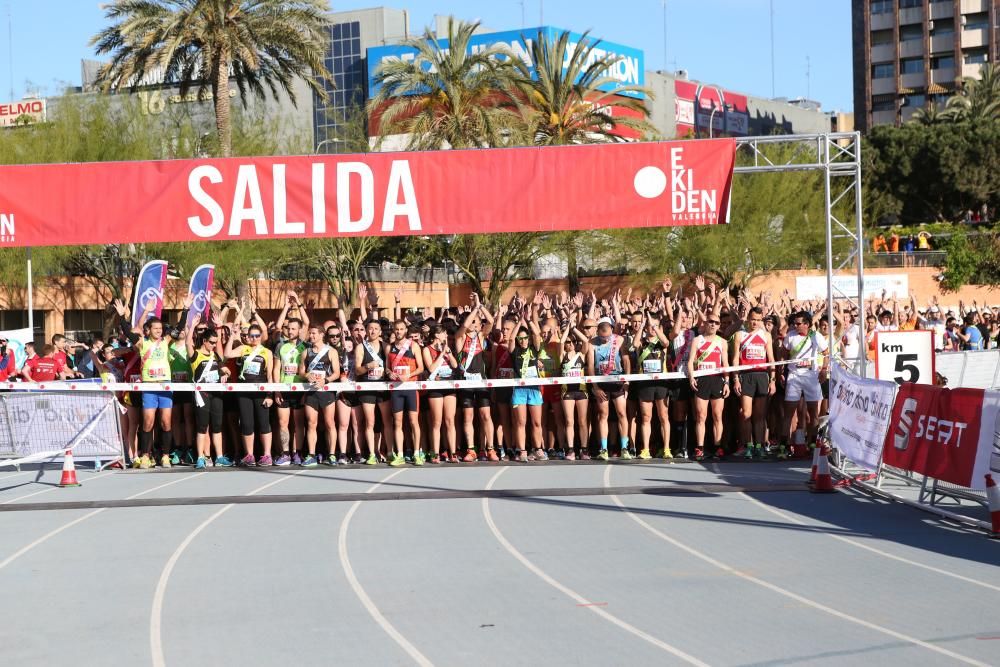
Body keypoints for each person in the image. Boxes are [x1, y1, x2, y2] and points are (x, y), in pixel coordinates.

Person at [779, 312, 828, 459]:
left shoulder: (816, 336)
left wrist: (824, 369)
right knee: (789, 412)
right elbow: (783, 353)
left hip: (811, 376)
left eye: (799, 323)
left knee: (813, 412)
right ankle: (784, 446)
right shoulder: (791, 335)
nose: (795, 325)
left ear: (807, 324)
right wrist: (781, 372)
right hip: (794, 376)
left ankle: (812, 444)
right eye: (794, 323)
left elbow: (826, 353)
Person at [225, 322, 274, 466]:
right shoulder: (243, 348)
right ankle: (249, 455)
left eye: (257, 336)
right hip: (244, 391)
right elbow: (227, 354)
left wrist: (269, 394)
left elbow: (270, 375)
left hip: (260, 390)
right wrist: (232, 336)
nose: (254, 338)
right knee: (247, 423)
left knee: (264, 423)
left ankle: (267, 455)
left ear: (261, 336)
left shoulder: (267, 352)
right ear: (247, 337)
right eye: (251, 336)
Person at [455, 296, 497, 461]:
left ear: (480, 326)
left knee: (486, 415)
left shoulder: (480, 338)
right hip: (466, 382)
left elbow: (491, 322)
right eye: (472, 322)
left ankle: (490, 448)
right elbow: (464, 325)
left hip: (480, 381)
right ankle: (471, 450)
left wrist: (480, 306)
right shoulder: (460, 338)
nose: (473, 324)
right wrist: (474, 311)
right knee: (468, 417)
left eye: (476, 323)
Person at [732, 307, 775, 460]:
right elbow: (735, 359)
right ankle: (748, 446)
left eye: (758, 320)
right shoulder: (739, 335)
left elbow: (771, 359)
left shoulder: (766, 336)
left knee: (760, 415)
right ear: (748, 319)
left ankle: (759, 446)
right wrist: (736, 379)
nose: (755, 323)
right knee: (746, 414)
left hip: (762, 376)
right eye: (753, 319)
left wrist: (773, 380)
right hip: (746, 376)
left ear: (761, 320)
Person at [188, 326, 232, 468]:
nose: (214, 345)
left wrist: (226, 374)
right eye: (212, 342)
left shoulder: (215, 356)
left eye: (215, 343)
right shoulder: (195, 355)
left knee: (217, 426)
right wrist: (191, 326)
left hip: (216, 394)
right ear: (204, 341)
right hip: (202, 395)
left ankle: (219, 457)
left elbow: (226, 369)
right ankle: (200, 457)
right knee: (202, 427)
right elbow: (188, 343)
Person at [688, 312, 730, 461]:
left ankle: (718, 447)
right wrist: (692, 377)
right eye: (710, 321)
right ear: (705, 323)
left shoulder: (722, 342)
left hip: (717, 380)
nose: (713, 324)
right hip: (702, 380)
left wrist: (727, 382)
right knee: (701, 416)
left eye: (716, 323)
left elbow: (725, 364)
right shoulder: (697, 340)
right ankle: (700, 448)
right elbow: (690, 361)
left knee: (717, 416)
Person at [588, 315, 631, 461]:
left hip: (617, 381)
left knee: (621, 413)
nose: (605, 339)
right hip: (601, 382)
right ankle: (604, 448)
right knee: (603, 414)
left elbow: (626, 360)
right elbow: (590, 366)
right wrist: (595, 387)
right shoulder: (592, 343)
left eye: (608, 335)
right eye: (602, 335)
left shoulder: (619, 340)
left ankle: (624, 447)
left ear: (611, 330)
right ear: (598, 331)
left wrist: (627, 382)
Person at [299, 323, 340, 467]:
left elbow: (336, 373)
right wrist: (307, 376)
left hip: (326, 392)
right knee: (311, 423)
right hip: (311, 392)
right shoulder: (306, 352)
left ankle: (332, 454)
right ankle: (311, 455)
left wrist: (325, 380)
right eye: (310, 333)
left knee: (330, 423)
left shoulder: (331, 351)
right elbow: (301, 372)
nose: (311, 335)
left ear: (322, 334)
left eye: (314, 333)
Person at [631, 311, 670, 461]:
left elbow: (666, 343)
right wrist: (642, 325)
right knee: (646, 417)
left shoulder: (661, 341)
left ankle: (666, 448)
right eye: (649, 326)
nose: (651, 328)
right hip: (645, 384)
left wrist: (655, 326)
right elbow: (635, 344)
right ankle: (646, 449)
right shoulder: (642, 341)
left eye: (654, 326)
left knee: (663, 416)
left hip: (661, 383)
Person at [355, 319, 395, 465]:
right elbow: (357, 370)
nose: (372, 331)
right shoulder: (360, 347)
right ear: (366, 330)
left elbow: (390, 367)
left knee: (387, 421)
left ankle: (390, 451)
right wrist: (368, 366)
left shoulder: (386, 346)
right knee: (370, 422)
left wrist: (389, 372)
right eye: (370, 328)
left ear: (380, 331)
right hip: (367, 387)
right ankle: (372, 453)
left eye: (375, 329)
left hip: (383, 387)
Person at [511, 307, 547, 462]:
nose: (523, 340)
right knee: (521, 422)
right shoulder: (515, 351)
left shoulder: (534, 349)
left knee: (537, 422)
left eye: (525, 338)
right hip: (519, 389)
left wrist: (530, 319)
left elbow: (537, 335)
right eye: (521, 338)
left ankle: (538, 449)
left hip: (534, 389)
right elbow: (511, 339)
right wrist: (519, 321)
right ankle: (523, 451)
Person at [387, 318, 423, 465]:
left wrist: (408, 375)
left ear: (405, 330)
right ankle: (400, 455)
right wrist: (389, 373)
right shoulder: (389, 347)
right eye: (396, 329)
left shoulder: (413, 346)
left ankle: (416, 453)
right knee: (397, 422)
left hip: (410, 387)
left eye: (401, 329)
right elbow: (387, 368)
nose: (399, 331)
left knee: (414, 421)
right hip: (396, 389)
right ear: (393, 330)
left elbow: (421, 367)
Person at [273, 317, 307, 466]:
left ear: (300, 330)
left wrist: (306, 392)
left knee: (299, 423)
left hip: (300, 389)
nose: (290, 331)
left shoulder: (305, 346)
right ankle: (286, 453)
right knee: (283, 422)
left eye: (294, 328)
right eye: (289, 328)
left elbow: (307, 370)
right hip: (284, 389)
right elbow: (276, 369)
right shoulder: (281, 346)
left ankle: (298, 452)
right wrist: (277, 390)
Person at [423, 324, 459, 463]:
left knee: (450, 420)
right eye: (444, 333)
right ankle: (435, 453)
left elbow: (455, 366)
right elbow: (431, 368)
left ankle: (453, 453)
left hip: (448, 385)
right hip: (435, 387)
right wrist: (441, 354)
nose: (446, 336)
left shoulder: (447, 347)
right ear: (437, 335)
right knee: (437, 421)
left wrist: (448, 354)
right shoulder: (427, 349)